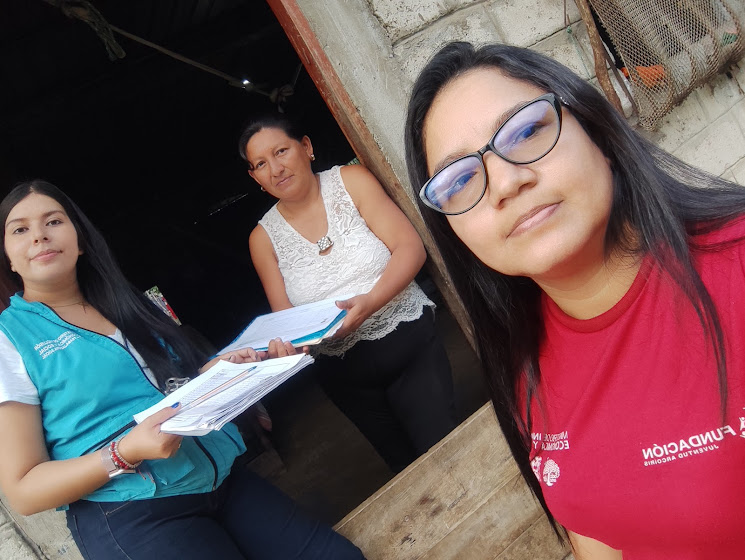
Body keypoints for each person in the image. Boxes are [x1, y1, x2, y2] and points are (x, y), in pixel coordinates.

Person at [404, 41, 745, 559]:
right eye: (460, 179)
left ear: (597, 133)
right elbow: (596, 532)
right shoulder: (521, 361)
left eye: (525, 131)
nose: (504, 183)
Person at [0, 180, 365, 560]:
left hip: (216, 477)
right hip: (131, 512)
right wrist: (124, 452)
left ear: (80, 240)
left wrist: (218, 371)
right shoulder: (10, 340)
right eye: (20, 230)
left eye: (53, 221)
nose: (39, 236)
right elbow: (24, 490)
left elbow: (165, 391)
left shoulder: (125, 303)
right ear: (8, 257)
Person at [241, 115, 457, 473]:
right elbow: (288, 321)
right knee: (406, 471)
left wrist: (370, 303)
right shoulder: (262, 239)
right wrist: (287, 347)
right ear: (255, 178)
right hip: (344, 376)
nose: (275, 169)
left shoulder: (351, 181)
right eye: (261, 164)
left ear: (306, 147)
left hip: (408, 342)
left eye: (281, 151)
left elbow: (410, 248)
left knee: (445, 448)